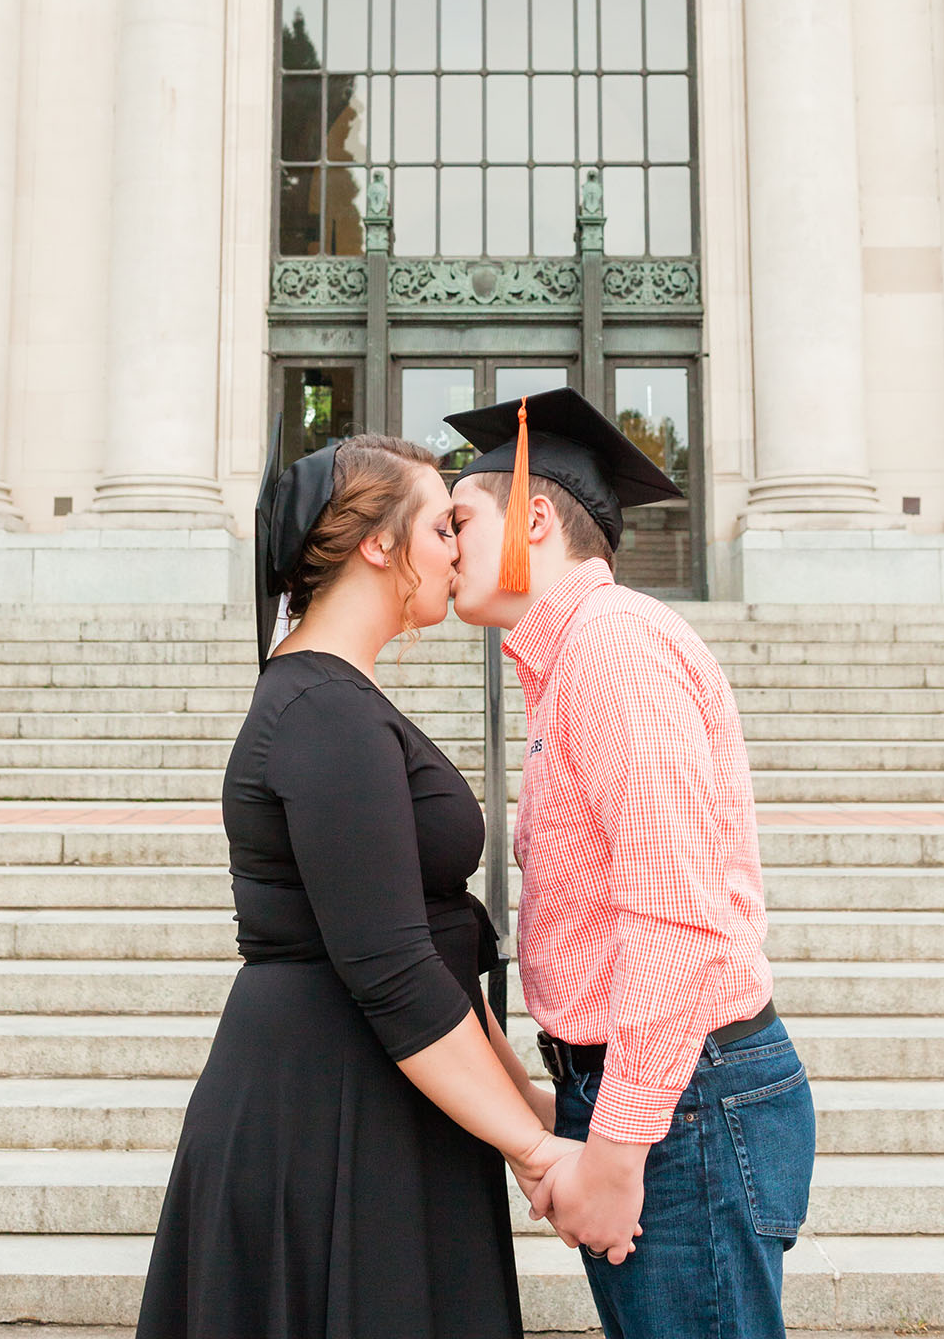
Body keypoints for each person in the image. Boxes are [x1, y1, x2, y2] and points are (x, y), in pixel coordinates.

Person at [135, 428, 581, 1339]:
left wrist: (523, 1102)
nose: (460, 550)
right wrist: (533, 1147)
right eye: (440, 529)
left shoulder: (337, 699)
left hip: (383, 1090)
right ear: (379, 545)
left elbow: (432, 934)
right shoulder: (321, 713)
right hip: (327, 1110)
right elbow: (393, 967)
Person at [447, 386, 816, 1339]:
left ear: (531, 517)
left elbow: (671, 918)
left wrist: (613, 1152)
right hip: (652, 1095)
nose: (444, 549)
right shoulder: (569, 655)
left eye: (458, 521)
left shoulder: (612, 646)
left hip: (680, 1105)